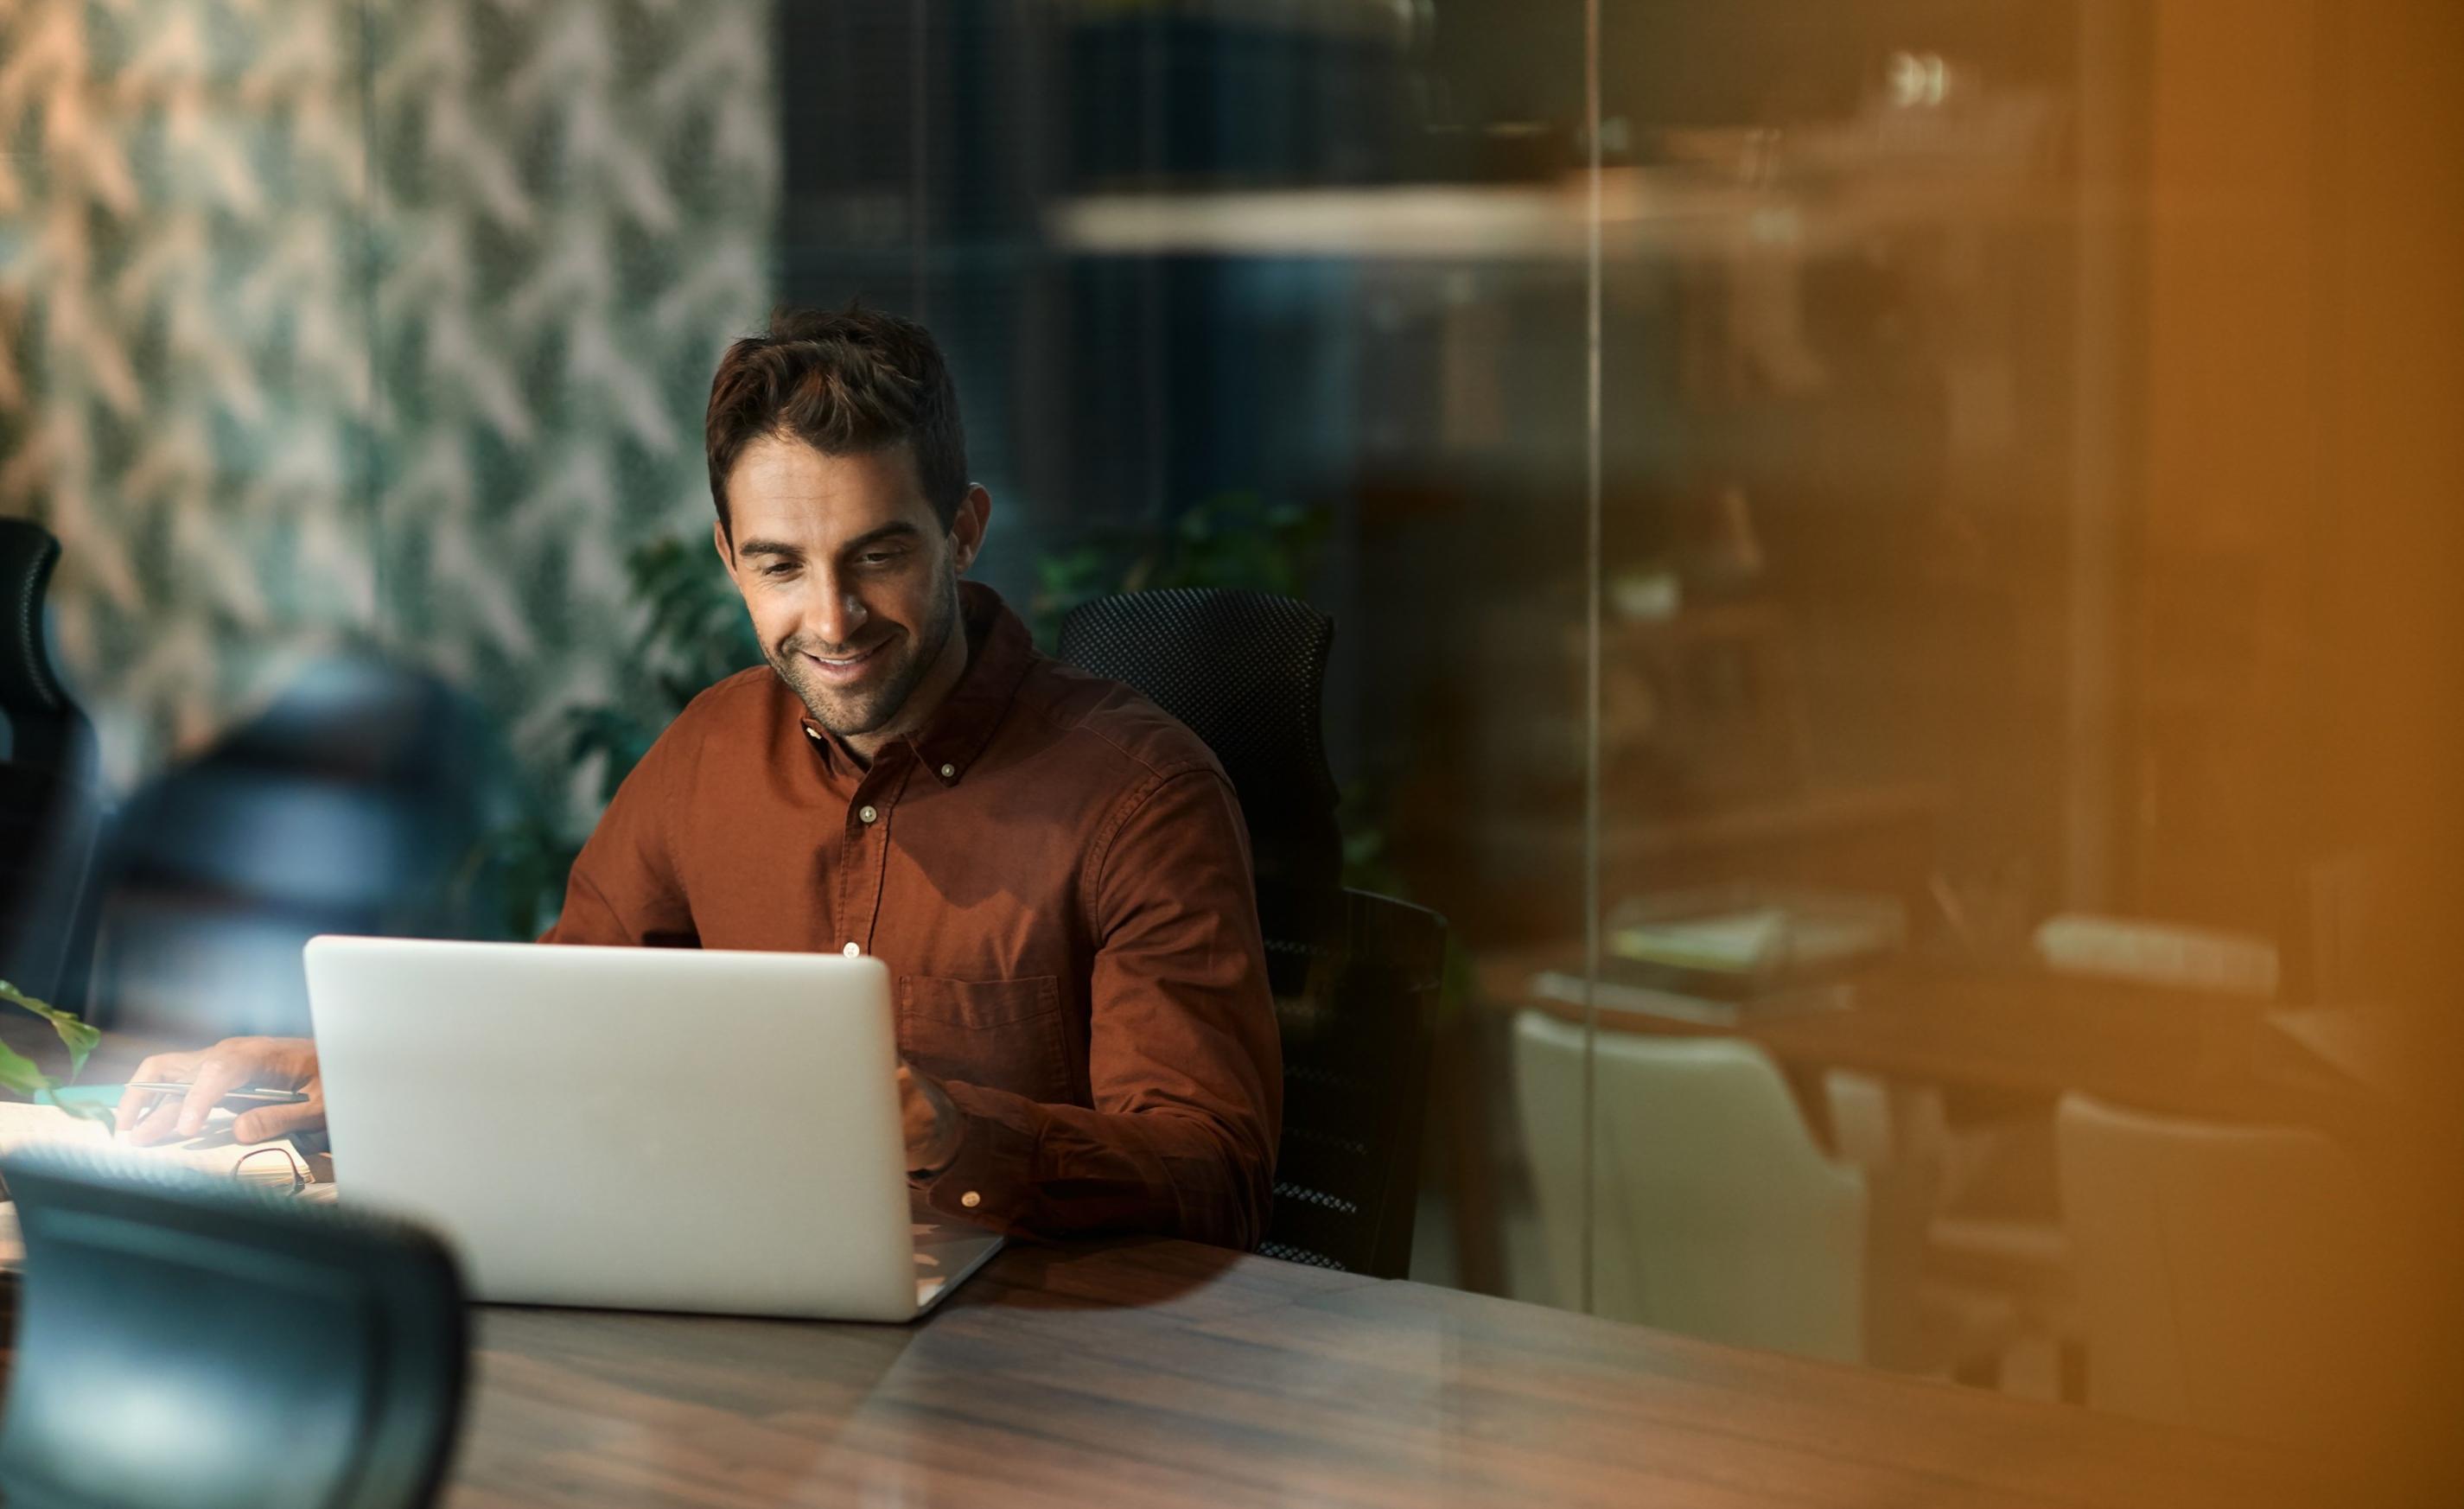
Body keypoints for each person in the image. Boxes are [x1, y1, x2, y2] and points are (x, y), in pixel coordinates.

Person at [115, 306, 1282, 1249]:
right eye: (779, 565)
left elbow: (1213, 1174)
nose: (830, 618)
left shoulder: (1139, 793)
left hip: (1039, 1381)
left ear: (964, 529)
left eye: (878, 555)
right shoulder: (713, 749)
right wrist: (331, 1069)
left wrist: (954, 1132)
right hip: (736, 1341)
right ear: (728, 558)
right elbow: (555, 1034)